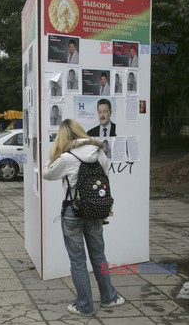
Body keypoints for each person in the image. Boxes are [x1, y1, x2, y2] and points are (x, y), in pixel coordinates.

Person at [43, 119, 125, 316]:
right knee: (99, 255)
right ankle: (109, 298)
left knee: (78, 260)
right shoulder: (99, 153)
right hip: (95, 210)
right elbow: (104, 175)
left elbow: (47, 173)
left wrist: (53, 153)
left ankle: (85, 306)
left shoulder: (66, 158)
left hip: (73, 211)